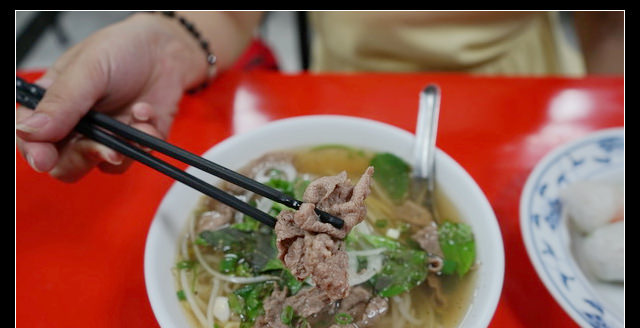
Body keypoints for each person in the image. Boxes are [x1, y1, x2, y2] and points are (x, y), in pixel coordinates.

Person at [16, 11, 623, 183]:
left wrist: (610, 144)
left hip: (519, 105)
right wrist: (171, 43)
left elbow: (611, 24)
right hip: (344, 92)